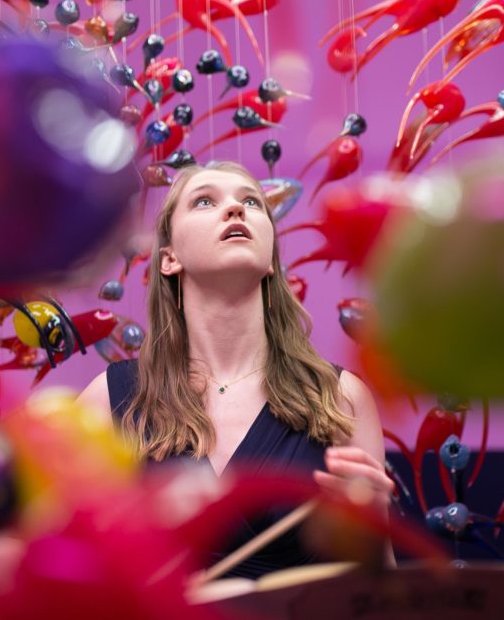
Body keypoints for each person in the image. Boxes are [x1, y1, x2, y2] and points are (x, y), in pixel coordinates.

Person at [77, 160, 395, 579]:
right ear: (169, 259)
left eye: (251, 202)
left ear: (269, 261)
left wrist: (370, 530)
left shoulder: (340, 396)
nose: (236, 210)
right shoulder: (109, 397)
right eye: (205, 201)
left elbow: (380, 589)